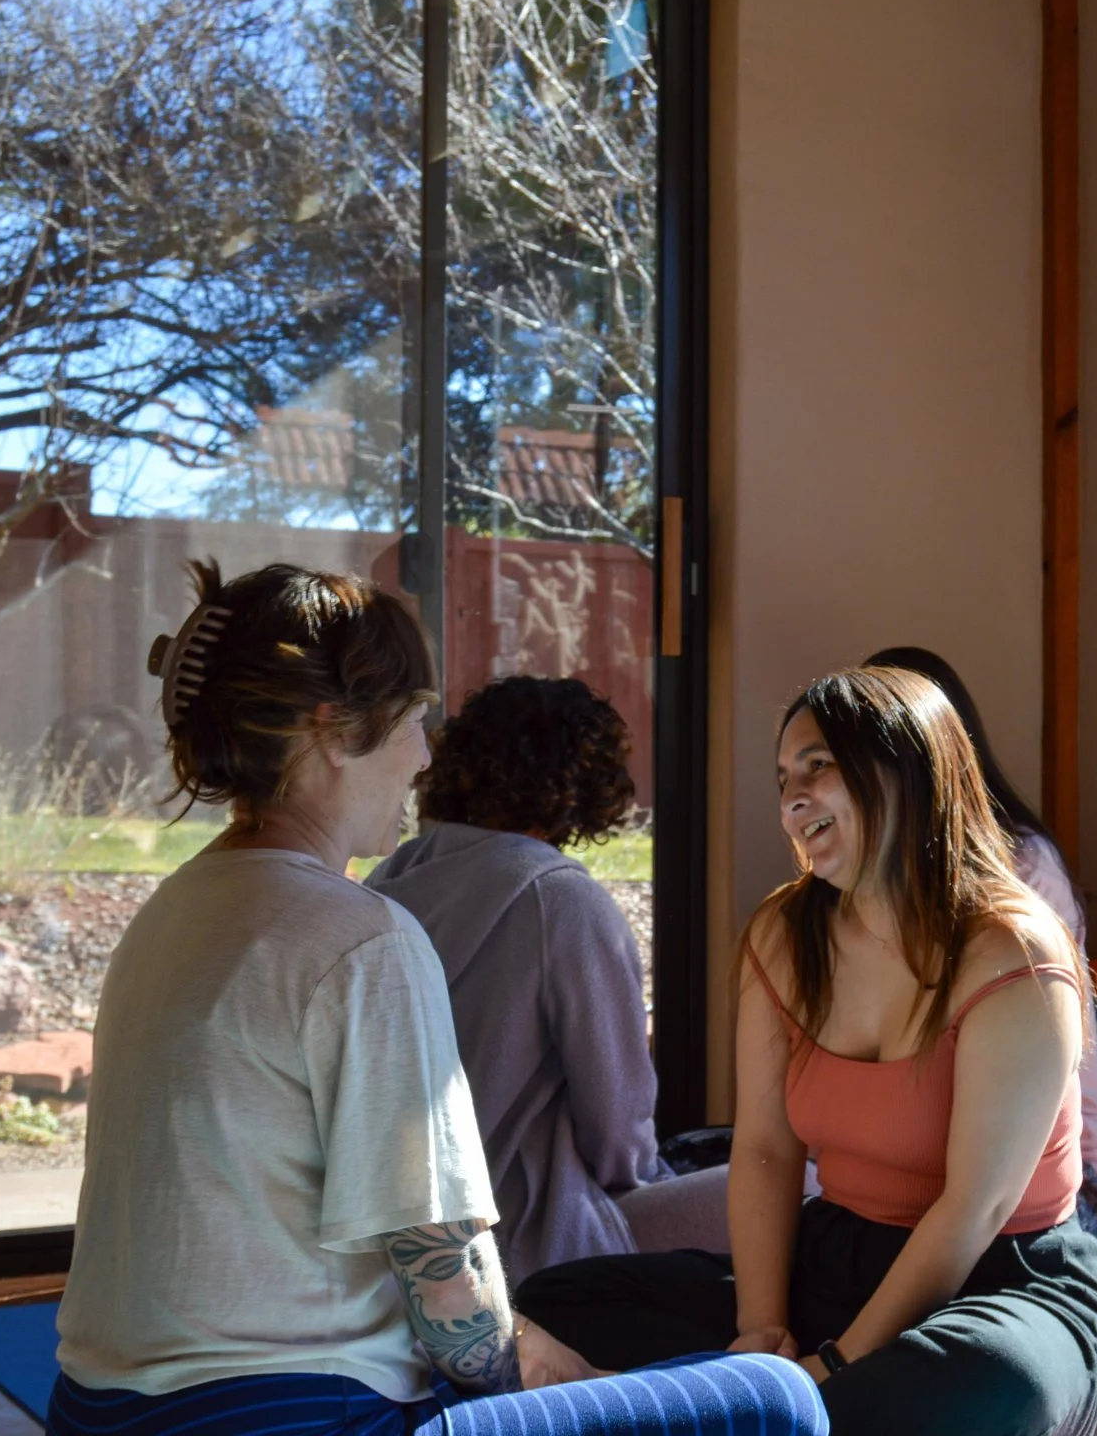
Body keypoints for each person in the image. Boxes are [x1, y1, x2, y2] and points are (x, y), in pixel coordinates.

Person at [47, 561, 825, 1436]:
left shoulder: (172, 913)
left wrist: (531, 1342)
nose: (423, 757)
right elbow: (451, 1291)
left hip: (95, 1410)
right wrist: (546, 1375)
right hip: (286, 1415)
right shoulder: (361, 934)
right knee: (775, 1398)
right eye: (414, 720)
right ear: (333, 729)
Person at [516, 666, 1097, 1436]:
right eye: (783, 778)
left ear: (906, 769)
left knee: (980, 1388)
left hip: (1004, 1285)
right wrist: (762, 1335)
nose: (792, 798)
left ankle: (723, 1415)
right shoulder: (784, 934)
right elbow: (769, 1150)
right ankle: (748, 1413)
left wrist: (834, 1367)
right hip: (836, 1259)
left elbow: (976, 1208)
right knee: (553, 1303)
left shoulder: (1012, 951)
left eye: (818, 765)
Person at [368, 676, 728, 1280]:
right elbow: (619, 1142)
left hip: (405, 1238)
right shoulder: (558, 899)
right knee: (802, 1183)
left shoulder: (395, 876)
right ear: (583, 787)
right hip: (532, 1237)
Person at [864, 645, 1097, 1252]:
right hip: (920, 1177)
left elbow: (1014, 1091)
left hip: (1061, 1188)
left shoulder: (1023, 867)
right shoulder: (866, 876)